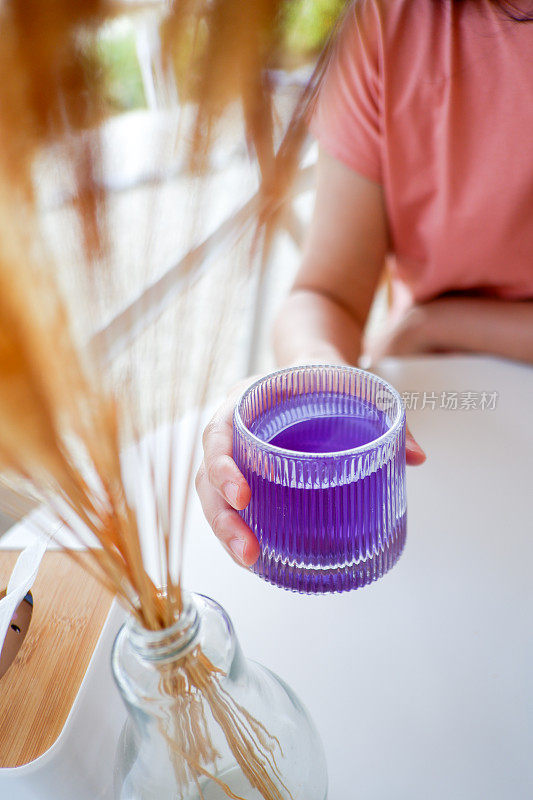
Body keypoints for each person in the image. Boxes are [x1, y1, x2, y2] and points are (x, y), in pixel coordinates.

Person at [195, 0, 533, 567]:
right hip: (451, 421)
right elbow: (324, 295)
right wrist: (311, 372)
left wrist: (437, 323)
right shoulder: (388, 24)